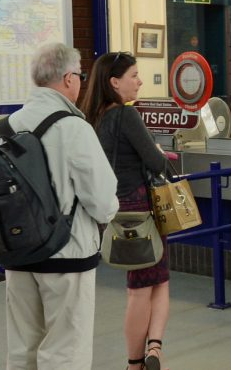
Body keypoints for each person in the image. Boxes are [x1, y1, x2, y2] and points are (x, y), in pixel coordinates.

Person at [0, 43, 119, 370]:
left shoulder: (1, 132)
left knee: (22, 350)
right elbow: (103, 203)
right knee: (65, 351)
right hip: (67, 256)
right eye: (80, 75)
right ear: (68, 79)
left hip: (17, 256)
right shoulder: (75, 129)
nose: (81, 81)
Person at [78, 52, 171, 370]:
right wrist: (157, 151)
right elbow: (156, 162)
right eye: (134, 74)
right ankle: (139, 360)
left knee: (150, 281)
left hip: (112, 208)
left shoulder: (92, 117)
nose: (140, 80)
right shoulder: (126, 116)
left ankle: (152, 351)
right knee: (145, 286)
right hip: (141, 208)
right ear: (114, 82)